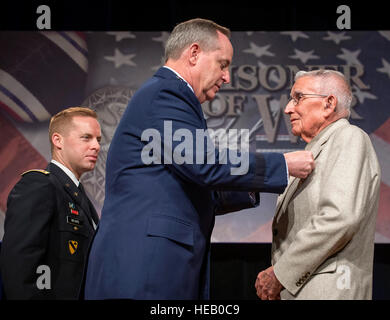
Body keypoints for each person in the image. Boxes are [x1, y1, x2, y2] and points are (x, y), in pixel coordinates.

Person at [85, 18, 314, 300]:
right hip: (143, 271)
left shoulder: (169, 97)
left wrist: (250, 187)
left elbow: (194, 184)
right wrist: (283, 165)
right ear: (194, 54)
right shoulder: (166, 94)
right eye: (223, 63)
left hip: (152, 269)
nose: (227, 76)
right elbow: (206, 166)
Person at [255, 69, 381, 300]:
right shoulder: (315, 150)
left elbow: (339, 217)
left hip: (330, 290)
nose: (288, 108)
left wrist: (281, 273)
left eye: (298, 97)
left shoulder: (349, 137)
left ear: (328, 104)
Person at [0, 107, 101, 299]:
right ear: (58, 140)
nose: (96, 146)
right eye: (86, 138)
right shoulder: (39, 185)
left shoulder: (78, 196)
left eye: (98, 140)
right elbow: (19, 269)